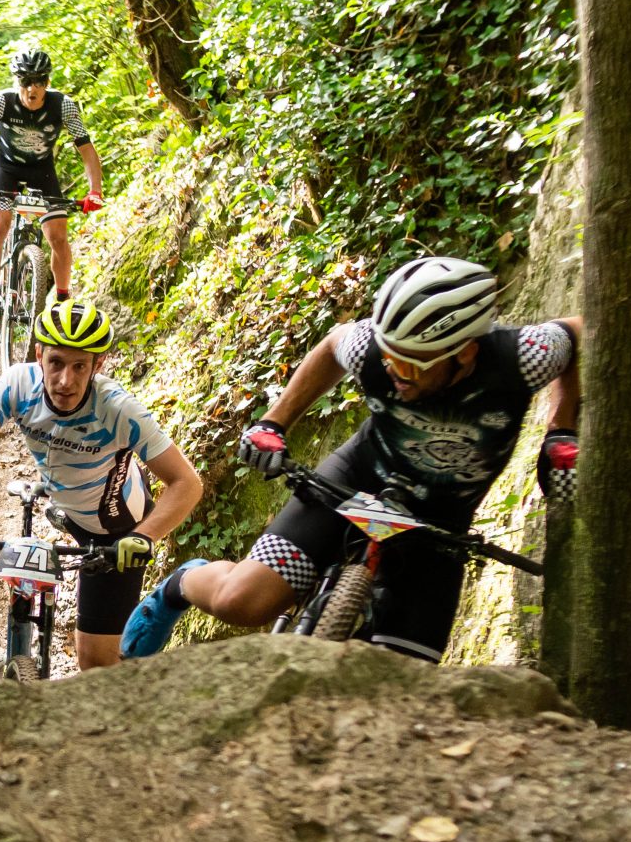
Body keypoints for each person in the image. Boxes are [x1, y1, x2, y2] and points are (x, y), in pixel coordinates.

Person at [121, 256, 582, 663]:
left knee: (404, 679)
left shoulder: (523, 357)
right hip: (358, 480)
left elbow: (580, 332)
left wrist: (560, 431)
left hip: (438, 522)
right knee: (243, 602)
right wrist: (274, 423)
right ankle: (186, 582)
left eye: (411, 363)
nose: (394, 373)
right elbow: (333, 345)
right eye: (389, 358)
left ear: (465, 352)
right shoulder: (375, 347)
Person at [0, 300, 202, 671]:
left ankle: (153, 656)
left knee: (97, 668)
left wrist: (144, 537)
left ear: (98, 365)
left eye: (80, 366)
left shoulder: (119, 410)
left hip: (117, 527)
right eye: (56, 363)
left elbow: (187, 483)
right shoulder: (18, 384)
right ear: (39, 354)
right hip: (70, 502)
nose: (65, 380)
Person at [0, 47, 105, 325]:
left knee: (58, 236)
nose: (31, 88)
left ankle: (63, 300)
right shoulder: (0, 101)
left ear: (47, 82)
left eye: (39, 81)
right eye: (25, 81)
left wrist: (95, 191)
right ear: (16, 82)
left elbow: (86, 148)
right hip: (5, 167)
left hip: (41, 170)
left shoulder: (63, 105)